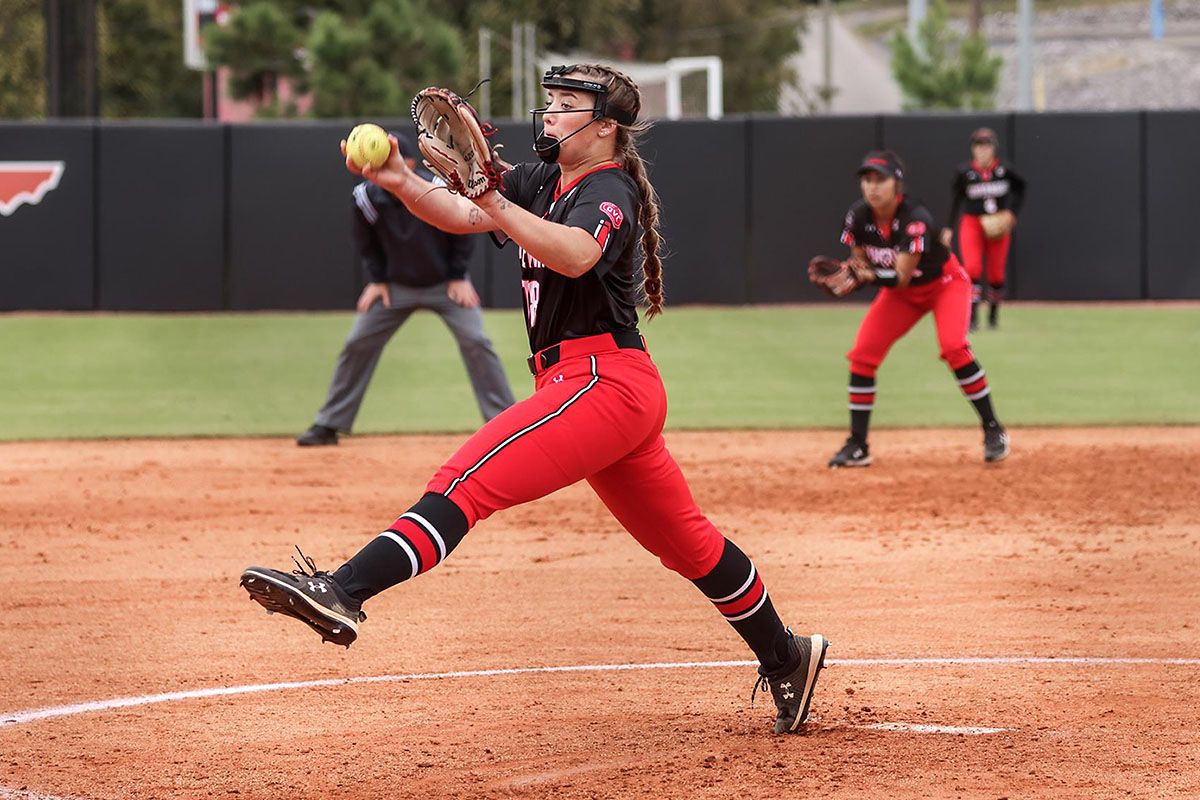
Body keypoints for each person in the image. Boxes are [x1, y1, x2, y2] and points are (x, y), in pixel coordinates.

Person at [241, 64, 829, 735]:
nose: (549, 114)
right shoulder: (542, 181)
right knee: (688, 544)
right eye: (549, 101)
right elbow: (460, 211)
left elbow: (576, 254)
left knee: (465, 481)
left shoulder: (609, 190)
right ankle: (787, 655)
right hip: (590, 386)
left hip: (601, 381)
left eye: (566, 105)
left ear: (605, 126)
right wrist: (400, 180)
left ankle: (343, 590)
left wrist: (493, 202)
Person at [296, 133, 515, 447]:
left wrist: (458, 276)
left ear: (409, 164)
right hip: (395, 288)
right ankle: (328, 424)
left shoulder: (436, 190)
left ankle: (505, 426)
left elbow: (463, 234)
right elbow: (366, 245)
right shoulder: (366, 197)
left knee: (478, 341)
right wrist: (378, 280)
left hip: (446, 286)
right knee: (358, 342)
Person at [827, 150, 1010, 468]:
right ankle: (858, 445)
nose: (872, 187)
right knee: (862, 356)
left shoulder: (916, 218)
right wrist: (851, 273)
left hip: (944, 285)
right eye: (867, 180)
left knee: (954, 347)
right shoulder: (857, 217)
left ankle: (993, 429)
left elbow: (899, 277)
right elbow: (861, 262)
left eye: (880, 179)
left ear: (897, 182)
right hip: (902, 296)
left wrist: (865, 276)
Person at [941, 127, 1027, 331]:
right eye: (978, 146)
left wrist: (1012, 213)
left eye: (986, 146)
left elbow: (1021, 187)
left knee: (997, 274)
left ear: (993, 148)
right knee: (972, 269)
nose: (982, 150)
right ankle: (972, 319)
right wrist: (948, 227)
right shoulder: (965, 172)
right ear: (973, 149)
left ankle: (993, 316)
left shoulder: (1004, 170)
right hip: (972, 222)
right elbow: (955, 200)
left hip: (998, 222)